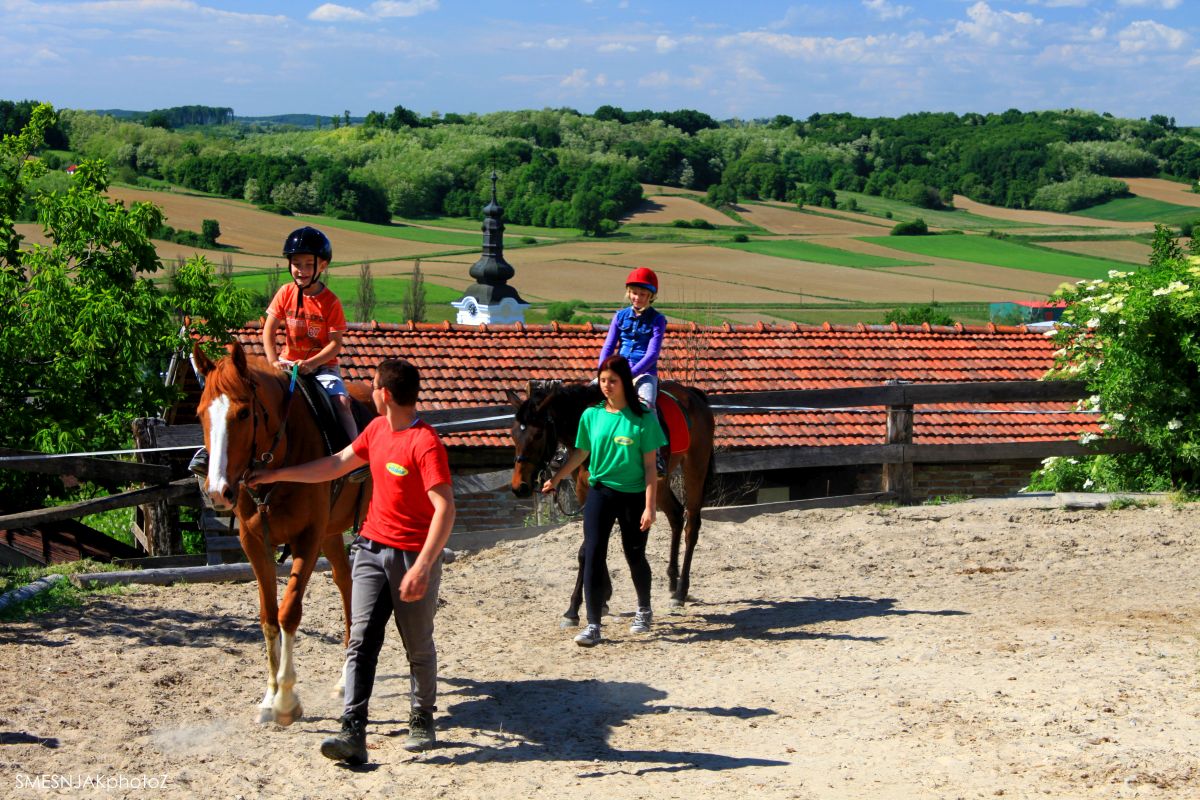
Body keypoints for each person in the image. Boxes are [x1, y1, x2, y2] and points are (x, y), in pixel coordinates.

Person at [247, 358, 455, 763]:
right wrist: (275, 476)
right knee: (361, 641)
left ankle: (422, 718)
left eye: (373, 385)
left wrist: (425, 565)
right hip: (370, 549)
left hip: (412, 556)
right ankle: (352, 731)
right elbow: (336, 464)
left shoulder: (425, 443)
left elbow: (445, 509)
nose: (369, 390)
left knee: (417, 645)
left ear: (386, 394)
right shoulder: (376, 430)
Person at [189, 226, 356, 477]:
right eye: (296, 263)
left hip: (322, 367)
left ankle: (355, 456)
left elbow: (335, 343)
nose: (300, 269)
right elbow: (269, 330)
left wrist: (312, 362)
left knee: (342, 403)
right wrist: (273, 361)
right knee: (248, 400)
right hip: (287, 365)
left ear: (322, 266)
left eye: (308, 264)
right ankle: (211, 454)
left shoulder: (330, 302)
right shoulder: (285, 293)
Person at [542, 354, 666, 648]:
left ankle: (644, 608)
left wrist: (650, 506)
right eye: (602, 380)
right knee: (594, 554)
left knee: (634, 555)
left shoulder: (643, 419)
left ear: (625, 383)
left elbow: (651, 467)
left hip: (633, 494)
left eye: (612, 381)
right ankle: (593, 624)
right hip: (600, 492)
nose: (606, 386)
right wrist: (557, 478)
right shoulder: (591, 415)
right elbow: (581, 453)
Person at [597, 267, 667, 412]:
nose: (637, 298)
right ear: (629, 292)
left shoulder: (658, 320)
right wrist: (602, 371)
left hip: (644, 374)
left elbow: (652, 355)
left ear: (651, 296)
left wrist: (630, 375)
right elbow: (608, 347)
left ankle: (653, 433)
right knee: (587, 398)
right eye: (634, 293)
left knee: (647, 407)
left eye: (643, 294)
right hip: (617, 370)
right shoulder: (619, 316)